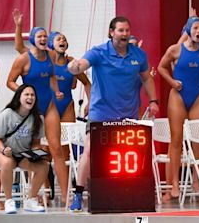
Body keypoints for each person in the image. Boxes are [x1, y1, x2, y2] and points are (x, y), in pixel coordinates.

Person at [67, 16, 159, 211]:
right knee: (90, 151)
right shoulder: (99, 52)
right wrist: (74, 66)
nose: (125, 34)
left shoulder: (138, 55)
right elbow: (81, 65)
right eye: (120, 30)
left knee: (129, 156)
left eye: (127, 30)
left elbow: (146, 79)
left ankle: (130, 194)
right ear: (111, 32)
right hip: (101, 113)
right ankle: (78, 194)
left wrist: (153, 101)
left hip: (128, 113)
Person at [7, 26, 69, 203]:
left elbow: (52, 76)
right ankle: (34, 196)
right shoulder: (23, 59)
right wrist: (23, 92)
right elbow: (9, 81)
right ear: (33, 39)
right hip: (30, 109)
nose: (43, 39)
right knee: (33, 152)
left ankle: (66, 195)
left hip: (49, 105)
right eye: (40, 36)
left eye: (45, 36)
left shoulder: (51, 56)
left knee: (57, 149)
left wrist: (56, 91)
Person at [157, 14, 199, 200]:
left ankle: (197, 181)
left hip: (197, 97)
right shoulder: (175, 50)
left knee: (197, 141)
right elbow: (161, 67)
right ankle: (174, 185)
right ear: (188, 31)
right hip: (178, 97)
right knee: (176, 141)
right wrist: (172, 82)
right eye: (195, 28)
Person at [13, 9, 91, 120]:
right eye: (58, 39)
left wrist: (90, 103)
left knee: (68, 137)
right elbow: (19, 47)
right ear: (51, 44)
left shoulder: (71, 63)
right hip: (47, 105)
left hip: (66, 105)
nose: (62, 41)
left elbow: (86, 83)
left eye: (64, 39)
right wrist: (18, 26)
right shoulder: (44, 58)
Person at [0, 84, 49, 214]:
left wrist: (37, 152)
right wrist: (3, 150)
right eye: (27, 94)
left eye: (32, 95)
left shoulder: (38, 118)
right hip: (4, 152)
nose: (30, 97)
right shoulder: (7, 114)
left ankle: (30, 199)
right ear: (19, 97)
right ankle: (9, 201)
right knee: (7, 163)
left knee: (44, 166)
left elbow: (36, 142)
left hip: (23, 154)